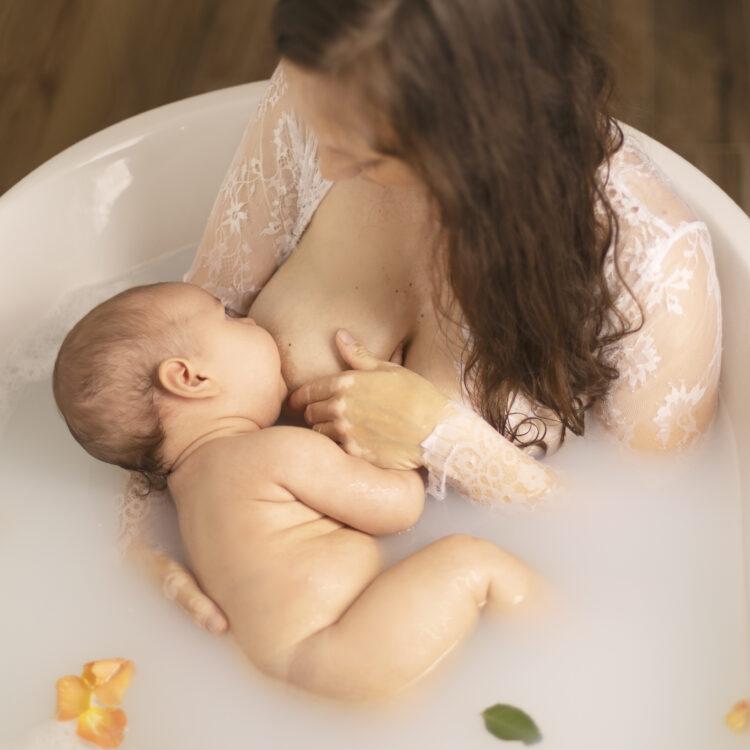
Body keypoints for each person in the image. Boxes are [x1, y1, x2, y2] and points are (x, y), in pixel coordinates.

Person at [119, 0, 721, 636]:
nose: (325, 167)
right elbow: (160, 358)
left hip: (490, 633)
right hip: (252, 605)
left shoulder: (653, 266)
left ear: (480, 141)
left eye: (370, 158)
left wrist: (446, 441)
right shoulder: (331, 88)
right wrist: (140, 546)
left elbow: (653, 535)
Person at [53, 281, 538, 701]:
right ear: (191, 377)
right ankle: (558, 627)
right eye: (227, 314)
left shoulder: (187, 488)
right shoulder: (276, 452)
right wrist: (398, 451)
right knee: (473, 560)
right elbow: (399, 509)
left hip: (281, 668)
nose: (248, 317)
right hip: (340, 648)